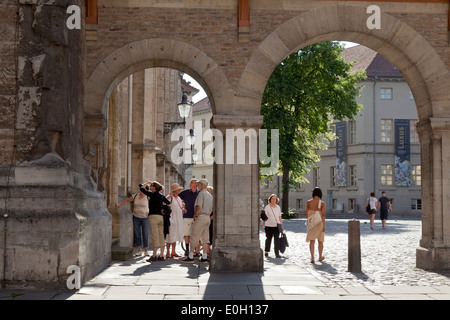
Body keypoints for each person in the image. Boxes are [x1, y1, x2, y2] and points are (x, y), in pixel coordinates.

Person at [181, 179, 213, 263]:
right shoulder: (209, 195)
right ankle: (205, 256)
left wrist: (195, 215)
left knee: (194, 236)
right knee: (205, 239)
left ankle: (190, 256)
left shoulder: (201, 194)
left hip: (201, 217)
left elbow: (199, 207)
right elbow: (212, 208)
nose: (198, 186)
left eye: (198, 184)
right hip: (207, 217)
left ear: (202, 185)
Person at [140, 181, 171, 261]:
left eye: (151, 185)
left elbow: (142, 189)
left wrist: (146, 182)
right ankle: (161, 255)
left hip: (153, 216)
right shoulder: (161, 195)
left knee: (154, 236)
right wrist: (163, 208)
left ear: (154, 187)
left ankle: (154, 255)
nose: (150, 187)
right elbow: (169, 203)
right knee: (161, 235)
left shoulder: (152, 194)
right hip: (161, 217)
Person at [116, 186, 150, 257]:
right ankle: (139, 251)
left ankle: (146, 250)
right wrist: (119, 205)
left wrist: (149, 212)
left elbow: (153, 205)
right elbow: (127, 200)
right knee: (137, 234)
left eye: (144, 189)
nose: (142, 191)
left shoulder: (148, 197)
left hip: (145, 218)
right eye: (141, 189)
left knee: (145, 234)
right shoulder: (135, 196)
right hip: (136, 217)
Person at [179, 179, 199, 256]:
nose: (189, 184)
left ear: (195, 185)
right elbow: (177, 198)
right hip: (187, 216)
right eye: (190, 182)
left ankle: (193, 251)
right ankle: (187, 250)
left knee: (194, 235)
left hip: (196, 217)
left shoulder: (199, 193)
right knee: (186, 234)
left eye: (191, 183)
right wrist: (182, 206)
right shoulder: (185, 192)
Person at [306, 187, 326, 263]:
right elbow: (323, 215)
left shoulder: (309, 202)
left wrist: (309, 221)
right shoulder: (322, 204)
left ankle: (312, 258)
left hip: (311, 223)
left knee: (312, 241)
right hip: (319, 223)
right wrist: (324, 225)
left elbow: (307, 213)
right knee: (320, 240)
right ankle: (320, 256)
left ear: (313, 193)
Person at [261, 194, 284, 258]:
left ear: (276, 200)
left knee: (276, 240)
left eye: (274, 199)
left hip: (276, 226)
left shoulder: (278, 207)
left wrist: (282, 225)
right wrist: (262, 222)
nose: (273, 200)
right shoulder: (267, 207)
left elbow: (279, 217)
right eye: (272, 199)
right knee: (268, 239)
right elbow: (264, 216)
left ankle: (277, 253)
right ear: (270, 200)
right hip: (268, 226)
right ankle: (266, 251)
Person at [165, 183, 185, 258]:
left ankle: (173, 251)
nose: (179, 190)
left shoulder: (178, 198)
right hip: (172, 218)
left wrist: (183, 209)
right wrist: (169, 196)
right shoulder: (171, 197)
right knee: (169, 236)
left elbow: (180, 207)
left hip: (178, 219)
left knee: (175, 236)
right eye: (178, 190)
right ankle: (167, 252)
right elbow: (164, 201)